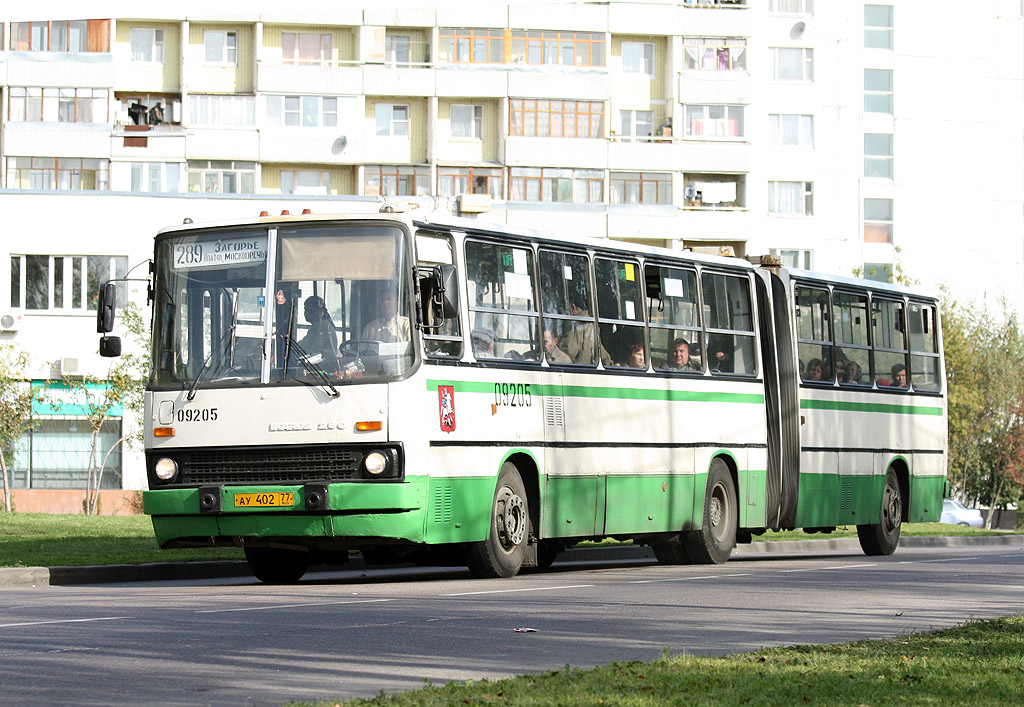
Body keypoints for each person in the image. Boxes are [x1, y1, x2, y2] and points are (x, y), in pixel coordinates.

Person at [564, 297, 613, 366]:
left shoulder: (574, 325)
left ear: (573, 308)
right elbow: (603, 355)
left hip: (578, 371)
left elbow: (569, 352)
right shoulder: (593, 325)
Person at [297, 295, 340, 372]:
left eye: (311, 311)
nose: (306, 313)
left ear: (320, 312)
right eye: (305, 310)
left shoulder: (320, 327)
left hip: (322, 368)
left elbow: (304, 350)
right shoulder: (325, 325)